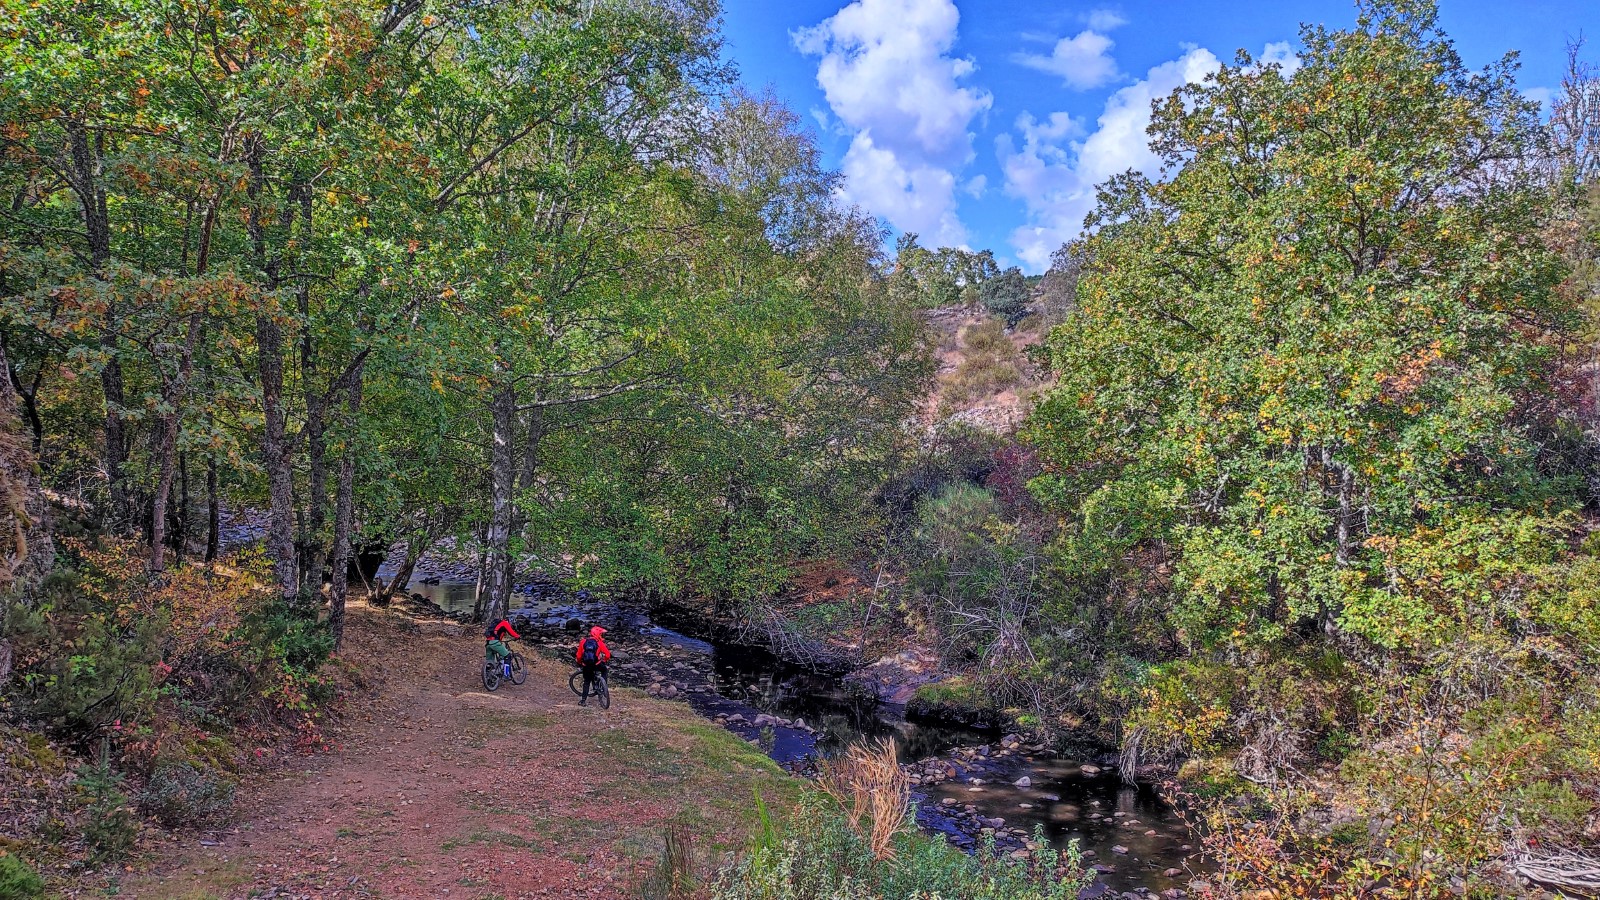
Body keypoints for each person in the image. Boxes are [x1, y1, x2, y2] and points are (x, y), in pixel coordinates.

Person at [574, 625, 611, 706]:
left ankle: (583, 701)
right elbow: (607, 654)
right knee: (604, 670)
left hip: (586, 665)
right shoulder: (599, 643)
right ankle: (603, 687)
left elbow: (579, 656)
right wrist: (604, 660)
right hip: (596, 664)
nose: (602, 636)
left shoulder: (583, 642)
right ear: (598, 634)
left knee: (586, 682)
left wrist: (580, 662)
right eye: (601, 634)